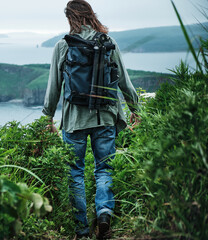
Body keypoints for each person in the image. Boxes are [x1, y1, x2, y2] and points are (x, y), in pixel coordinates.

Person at [42, 0, 139, 238]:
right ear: (91, 15)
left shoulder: (63, 45)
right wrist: (134, 107)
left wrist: (47, 118)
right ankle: (104, 212)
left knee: (75, 172)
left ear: (70, 18)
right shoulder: (109, 42)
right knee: (104, 168)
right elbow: (124, 80)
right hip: (105, 117)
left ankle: (82, 231)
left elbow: (53, 87)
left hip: (74, 121)